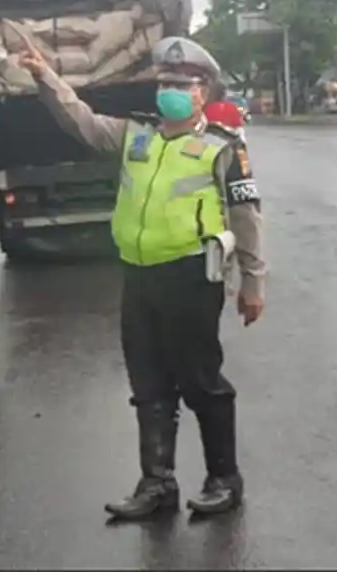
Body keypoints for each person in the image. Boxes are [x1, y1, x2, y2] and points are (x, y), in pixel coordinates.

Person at [17, 35, 267, 520]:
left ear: (203, 92)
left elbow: (247, 217)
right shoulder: (136, 135)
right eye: (165, 83)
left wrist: (253, 282)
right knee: (148, 384)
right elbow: (81, 121)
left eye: (183, 85)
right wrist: (45, 76)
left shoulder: (222, 148)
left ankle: (224, 479)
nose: (170, 91)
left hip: (192, 277)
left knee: (201, 382)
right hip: (139, 275)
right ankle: (157, 485)